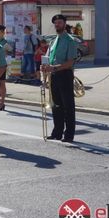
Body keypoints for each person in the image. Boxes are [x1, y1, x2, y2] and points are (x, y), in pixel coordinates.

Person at [41, 15, 77, 143]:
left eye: (59, 23)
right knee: (56, 105)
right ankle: (57, 132)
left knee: (68, 107)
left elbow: (70, 62)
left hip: (65, 75)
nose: (57, 25)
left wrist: (54, 68)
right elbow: (48, 58)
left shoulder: (70, 41)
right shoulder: (54, 40)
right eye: (55, 23)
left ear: (65, 24)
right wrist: (44, 67)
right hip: (54, 76)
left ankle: (69, 134)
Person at [0, 25, 11, 110]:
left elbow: (10, 52)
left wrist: (6, 53)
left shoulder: (5, 43)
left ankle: (2, 103)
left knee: (2, 84)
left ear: (3, 33)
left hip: (2, 66)